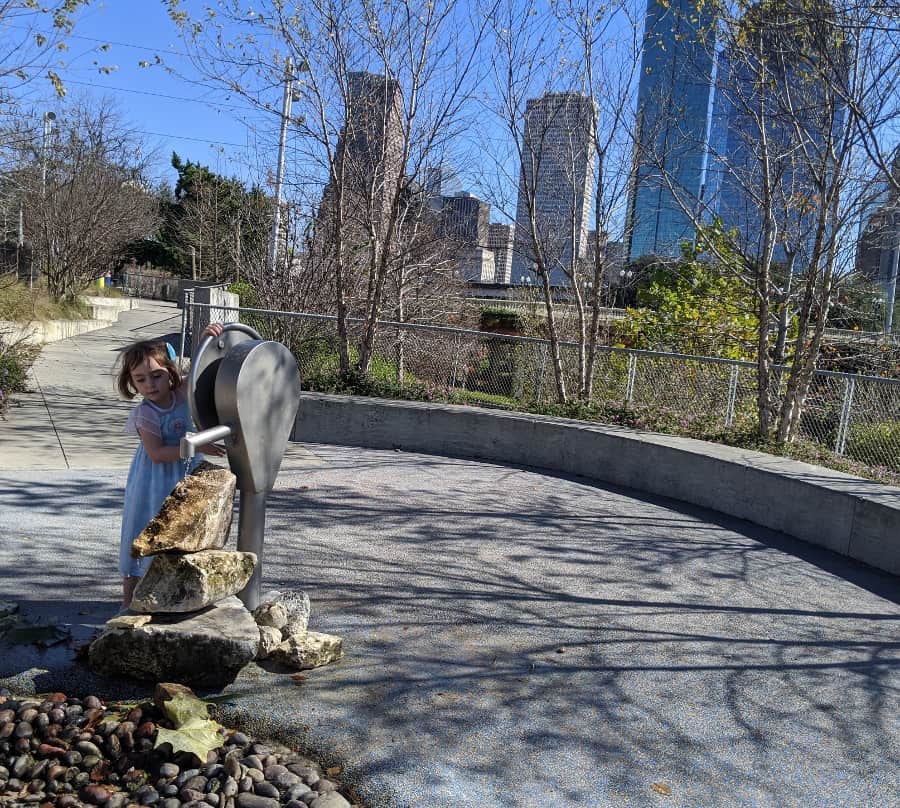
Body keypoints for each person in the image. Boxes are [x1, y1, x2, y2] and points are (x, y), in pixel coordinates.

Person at [116, 326, 224, 607]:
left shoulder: (181, 391)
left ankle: (170, 598)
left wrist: (206, 338)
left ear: (170, 373)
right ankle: (128, 604)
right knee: (144, 529)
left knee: (180, 531)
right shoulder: (146, 414)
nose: (150, 385)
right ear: (131, 383)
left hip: (182, 473)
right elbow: (157, 454)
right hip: (152, 480)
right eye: (140, 379)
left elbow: (201, 368)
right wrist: (197, 446)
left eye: (157, 376)